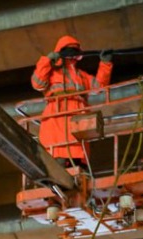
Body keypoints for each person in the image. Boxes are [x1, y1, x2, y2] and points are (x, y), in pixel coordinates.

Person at [30, 35, 114, 172]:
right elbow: (37, 83)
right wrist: (47, 60)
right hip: (56, 120)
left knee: (79, 163)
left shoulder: (81, 75)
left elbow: (99, 87)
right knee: (58, 160)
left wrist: (105, 63)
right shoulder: (51, 72)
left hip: (78, 121)